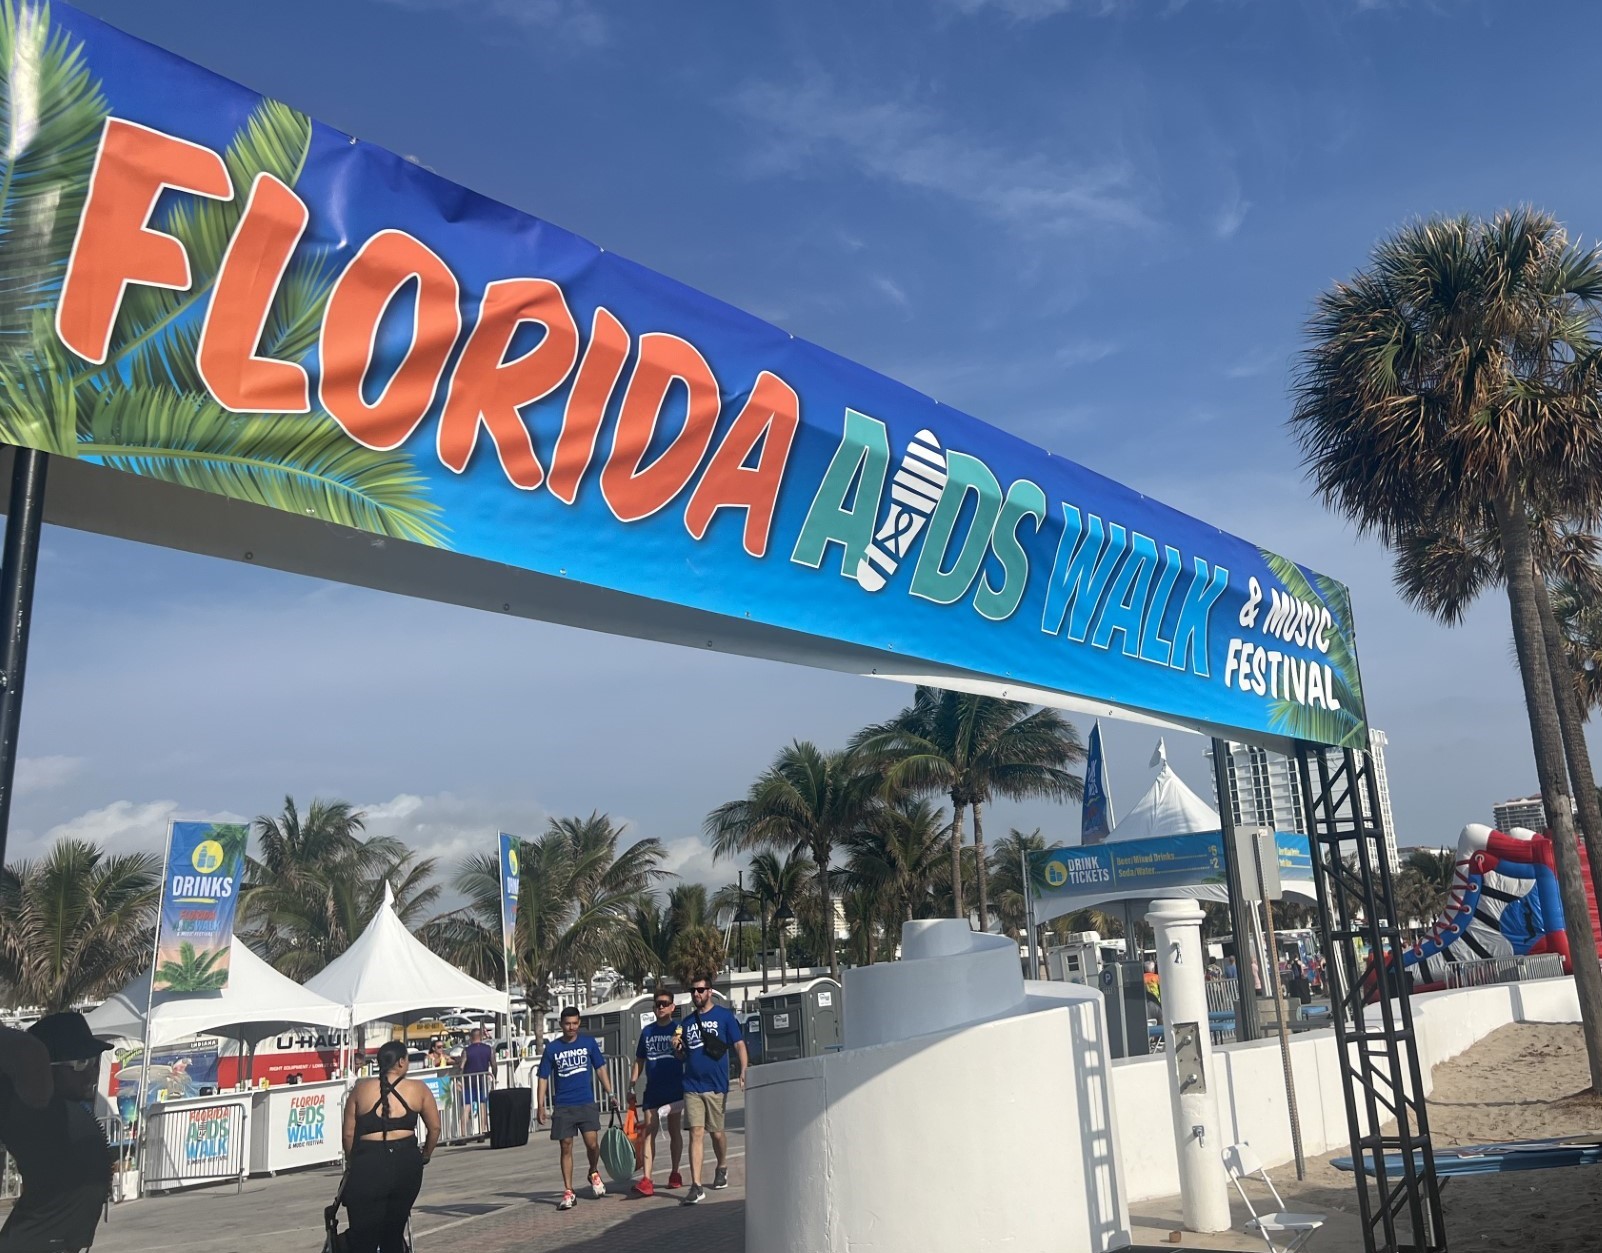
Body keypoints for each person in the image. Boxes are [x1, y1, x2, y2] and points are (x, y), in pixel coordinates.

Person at [0, 1012, 114, 1252]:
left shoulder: (69, 1107)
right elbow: (27, 1050)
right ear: (44, 1069)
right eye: (80, 1064)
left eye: (94, 1061)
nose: (92, 1072)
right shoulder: (32, 1108)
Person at [340, 1039, 441, 1253]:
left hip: (369, 1162)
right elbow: (435, 1129)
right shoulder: (418, 1089)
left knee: (364, 1232)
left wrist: (352, 1162)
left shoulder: (361, 1090)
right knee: (393, 1229)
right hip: (406, 1161)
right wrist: (425, 1155)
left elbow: (348, 1134)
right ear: (402, 1062)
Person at [675, 976, 747, 1206]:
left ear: (710, 991)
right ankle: (696, 1185)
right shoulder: (685, 1023)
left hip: (716, 1085)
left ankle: (722, 1164)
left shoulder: (724, 1016)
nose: (696, 994)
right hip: (692, 1086)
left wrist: (744, 1069)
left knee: (716, 1132)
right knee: (696, 1132)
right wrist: (677, 1049)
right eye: (693, 990)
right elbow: (683, 1055)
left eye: (700, 990)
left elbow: (738, 1044)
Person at [537, 1007, 616, 1211]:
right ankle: (569, 1190)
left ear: (579, 1023)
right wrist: (540, 1106)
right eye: (567, 1023)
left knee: (592, 1144)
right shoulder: (552, 1048)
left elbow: (600, 1068)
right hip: (563, 1105)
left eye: (574, 1023)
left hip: (586, 1102)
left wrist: (611, 1093)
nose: (571, 1027)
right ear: (561, 1025)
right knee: (566, 1146)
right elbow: (543, 1078)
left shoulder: (588, 1043)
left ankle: (593, 1172)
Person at [628, 991, 685, 1196]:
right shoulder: (648, 1032)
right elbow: (640, 1060)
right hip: (653, 1089)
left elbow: (683, 1055)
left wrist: (678, 1049)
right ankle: (647, 1178)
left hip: (674, 1087)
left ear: (672, 1007)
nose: (660, 1007)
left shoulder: (678, 1028)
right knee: (648, 1131)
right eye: (657, 1004)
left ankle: (675, 1172)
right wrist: (632, 1085)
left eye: (664, 1004)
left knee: (674, 1130)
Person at [460, 1028, 494, 1136]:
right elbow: (494, 1065)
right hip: (482, 1080)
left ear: (471, 1037)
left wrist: (459, 1080)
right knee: (482, 1105)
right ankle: (482, 1130)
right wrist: (494, 1077)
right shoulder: (488, 1049)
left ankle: (463, 1134)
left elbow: (461, 1066)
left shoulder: (466, 1050)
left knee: (467, 1107)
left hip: (468, 1082)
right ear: (481, 1036)